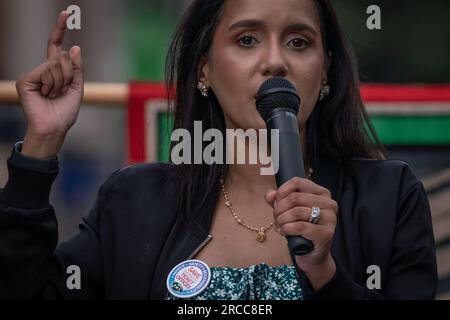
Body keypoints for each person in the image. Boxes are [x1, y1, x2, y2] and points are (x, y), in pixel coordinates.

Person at [0, 0, 437, 300]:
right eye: (247, 39)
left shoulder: (389, 197)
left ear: (324, 73)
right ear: (204, 70)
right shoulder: (134, 200)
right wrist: (41, 143)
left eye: (298, 42)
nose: (275, 61)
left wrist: (326, 275)